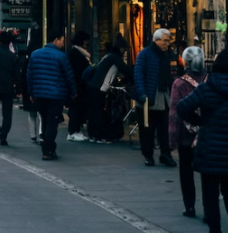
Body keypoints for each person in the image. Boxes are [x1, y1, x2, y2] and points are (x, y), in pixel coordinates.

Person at [176, 50, 228, 233]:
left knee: (210, 195)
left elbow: (181, 107)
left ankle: (215, 230)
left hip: (209, 150)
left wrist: (200, 121)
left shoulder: (206, 87)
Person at [26, 28, 76, 161]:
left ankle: (46, 143)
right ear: (56, 40)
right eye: (62, 40)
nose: (63, 43)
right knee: (53, 122)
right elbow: (69, 77)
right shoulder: (61, 56)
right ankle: (48, 150)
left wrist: (31, 92)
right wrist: (73, 92)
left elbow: (29, 75)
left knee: (45, 119)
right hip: (56, 94)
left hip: (39, 94)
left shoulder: (35, 54)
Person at [170, 47, 207, 219]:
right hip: (207, 135)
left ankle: (190, 206)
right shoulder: (210, 81)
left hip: (186, 135)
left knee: (186, 173)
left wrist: (172, 139)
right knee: (208, 176)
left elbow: (174, 114)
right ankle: (209, 209)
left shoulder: (179, 83)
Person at [135, 28, 178, 168]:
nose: (167, 43)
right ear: (156, 40)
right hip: (149, 96)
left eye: (168, 41)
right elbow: (138, 74)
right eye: (165, 40)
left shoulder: (169, 55)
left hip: (165, 95)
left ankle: (165, 154)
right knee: (147, 128)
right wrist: (142, 93)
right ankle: (148, 155)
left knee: (165, 128)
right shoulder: (145, 54)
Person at [86, 40, 132, 143]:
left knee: (94, 111)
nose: (125, 51)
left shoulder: (108, 56)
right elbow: (126, 70)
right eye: (124, 49)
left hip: (93, 85)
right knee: (99, 111)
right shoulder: (115, 58)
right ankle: (99, 136)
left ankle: (93, 134)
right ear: (120, 48)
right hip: (99, 87)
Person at [66, 31, 93, 142]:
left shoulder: (78, 52)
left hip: (79, 85)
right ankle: (73, 131)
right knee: (76, 108)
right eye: (86, 40)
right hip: (77, 86)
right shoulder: (76, 53)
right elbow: (77, 71)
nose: (87, 43)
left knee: (77, 108)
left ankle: (76, 130)